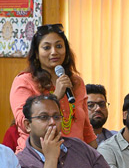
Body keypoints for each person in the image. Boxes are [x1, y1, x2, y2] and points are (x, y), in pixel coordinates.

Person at [9, 24, 97, 152]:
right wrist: (55, 96)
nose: (54, 52)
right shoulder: (24, 82)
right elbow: (24, 123)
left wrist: (96, 157)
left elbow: (86, 128)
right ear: (37, 54)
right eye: (46, 47)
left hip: (74, 158)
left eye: (59, 46)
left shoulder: (76, 82)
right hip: (36, 158)